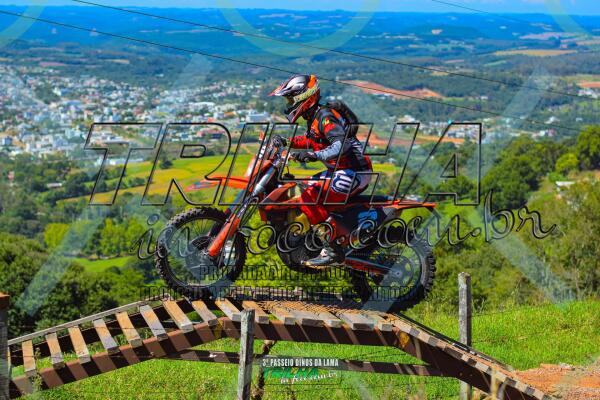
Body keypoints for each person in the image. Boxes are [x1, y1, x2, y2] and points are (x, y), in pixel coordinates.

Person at [269, 74, 373, 266]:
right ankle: (311, 235)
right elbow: (311, 140)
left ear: (304, 97)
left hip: (356, 171)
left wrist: (313, 155)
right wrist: (286, 142)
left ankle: (333, 249)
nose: (289, 104)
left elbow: (341, 145)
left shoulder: (325, 117)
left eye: (291, 99)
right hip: (340, 171)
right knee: (298, 189)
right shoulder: (314, 117)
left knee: (309, 196)